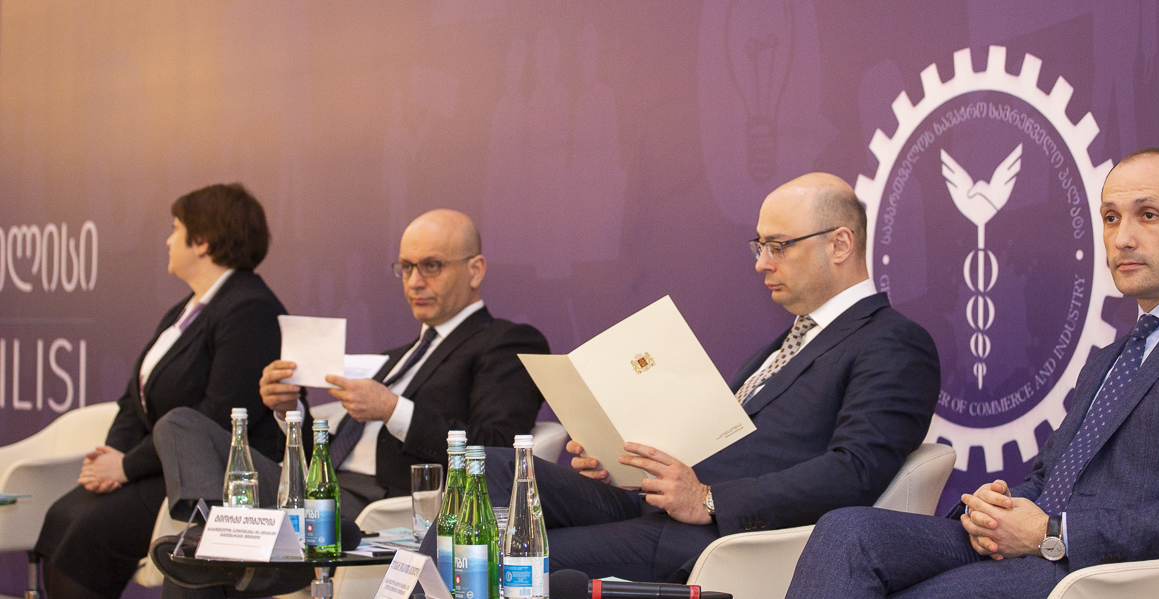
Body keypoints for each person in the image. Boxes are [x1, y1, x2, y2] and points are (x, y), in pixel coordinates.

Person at [784, 148, 1159, 599]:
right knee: (846, 532)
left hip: (1096, 571)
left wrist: (1053, 532)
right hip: (1028, 544)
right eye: (1111, 218)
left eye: (1148, 215)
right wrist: (998, 509)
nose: (1123, 238)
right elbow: (1048, 476)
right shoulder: (1111, 356)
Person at [452, 172, 941, 582]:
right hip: (660, 506)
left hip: (718, 536)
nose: (761, 263)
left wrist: (709, 500)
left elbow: (855, 472)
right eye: (759, 245)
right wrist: (622, 459)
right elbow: (720, 441)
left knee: (501, 556)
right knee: (488, 467)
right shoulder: (789, 340)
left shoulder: (893, 342)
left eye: (778, 246)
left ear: (840, 244)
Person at [150, 209, 549, 596]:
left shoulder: (507, 342)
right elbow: (321, 454)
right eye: (406, 267)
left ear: (475, 270)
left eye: (431, 266)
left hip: (374, 505)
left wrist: (392, 409)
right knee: (179, 424)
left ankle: (226, 545)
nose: (414, 282)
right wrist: (289, 410)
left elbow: (496, 448)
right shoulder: (394, 358)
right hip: (314, 488)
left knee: (191, 565)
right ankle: (220, 535)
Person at [34, 184, 287, 599]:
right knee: (64, 514)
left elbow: (217, 417)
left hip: (211, 480)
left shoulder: (250, 309)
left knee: (87, 529)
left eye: (175, 229)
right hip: (156, 468)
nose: (168, 241)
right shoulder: (187, 309)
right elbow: (134, 399)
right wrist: (111, 459)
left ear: (202, 241)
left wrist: (126, 467)